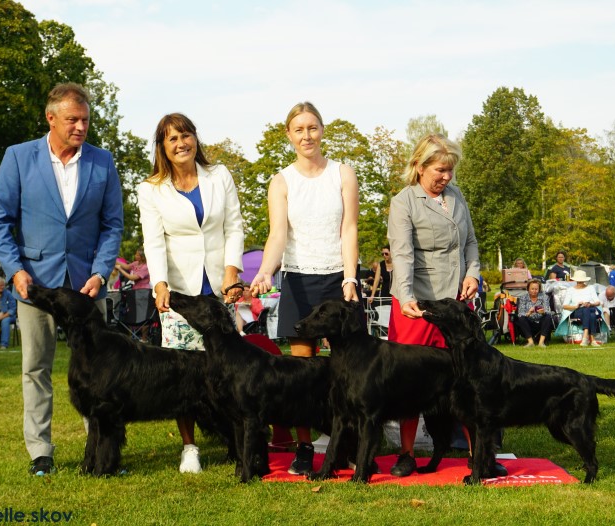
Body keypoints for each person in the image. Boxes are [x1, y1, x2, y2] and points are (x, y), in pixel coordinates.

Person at [0, 82, 124, 476]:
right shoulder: (17, 157)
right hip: (35, 286)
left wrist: (100, 271)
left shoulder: (103, 162)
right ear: (51, 118)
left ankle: (97, 450)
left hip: (87, 286)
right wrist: (15, 270)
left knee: (99, 371)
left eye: (85, 120)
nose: (81, 127)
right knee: (36, 368)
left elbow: (112, 225)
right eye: (72, 120)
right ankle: (40, 452)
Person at [251, 101, 360, 476]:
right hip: (297, 279)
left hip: (336, 280)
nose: (306, 135)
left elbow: (349, 229)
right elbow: (278, 235)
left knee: (345, 371)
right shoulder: (281, 181)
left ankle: (346, 442)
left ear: (322, 130)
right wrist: (266, 270)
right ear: (289, 135)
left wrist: (349, 277)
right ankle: (303, 447)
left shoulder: (343, 174)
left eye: (312, 128)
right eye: (299, 129)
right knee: (300, 372)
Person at [137, 112, 244, 473]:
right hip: (179, 294)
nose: (181, 143)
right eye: (172, 139)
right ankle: (189, 447)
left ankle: (235, 438)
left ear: (195, 138)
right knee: (182, 375)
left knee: (227, 369)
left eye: (186, 135)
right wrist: (159, 283)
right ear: (162, 148)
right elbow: (153, 242)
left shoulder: (220, 176)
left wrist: (232, 269)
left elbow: (234, 226)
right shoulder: (150, 189)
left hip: (218, 289)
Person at [386, 133, 481, 477]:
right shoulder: (403, 202)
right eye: (440, 170)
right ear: (419, 166)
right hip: (417, 305)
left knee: (466, 377)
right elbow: (403, 254)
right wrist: (408, 297)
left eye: (450, 171)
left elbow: (470, 241)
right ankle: (407, 454)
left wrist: (473, 274)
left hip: (455, 302)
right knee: (409, 380)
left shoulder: (456, 197)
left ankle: (477, 454)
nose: (446, 177)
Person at [557, 270, 603, 346]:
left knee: (588, 310)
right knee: (591, 314)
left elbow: (597, 302)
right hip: (577, 311)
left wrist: (590, 304)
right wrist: (576, 306)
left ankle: (585, 337)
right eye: (578, 281)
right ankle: (592, 339)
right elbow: (565, 306)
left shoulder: (590, 288)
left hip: (591, 308)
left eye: (581, 281)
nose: (580, 283)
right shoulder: (570, 290)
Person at [514, 279, 553, 347]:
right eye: (532, 289)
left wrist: (543, 312)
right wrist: (528, 313)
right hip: (529, 322)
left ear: (539, 289)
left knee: (548, 316)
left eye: (536, 289)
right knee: (521, 318)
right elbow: (520, 313)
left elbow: (548, 311)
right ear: (528, 289)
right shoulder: (523, 297)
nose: (534, 291)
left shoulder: (544, 296)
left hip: (540, 322)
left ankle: (541, 342)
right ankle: (530, 342)